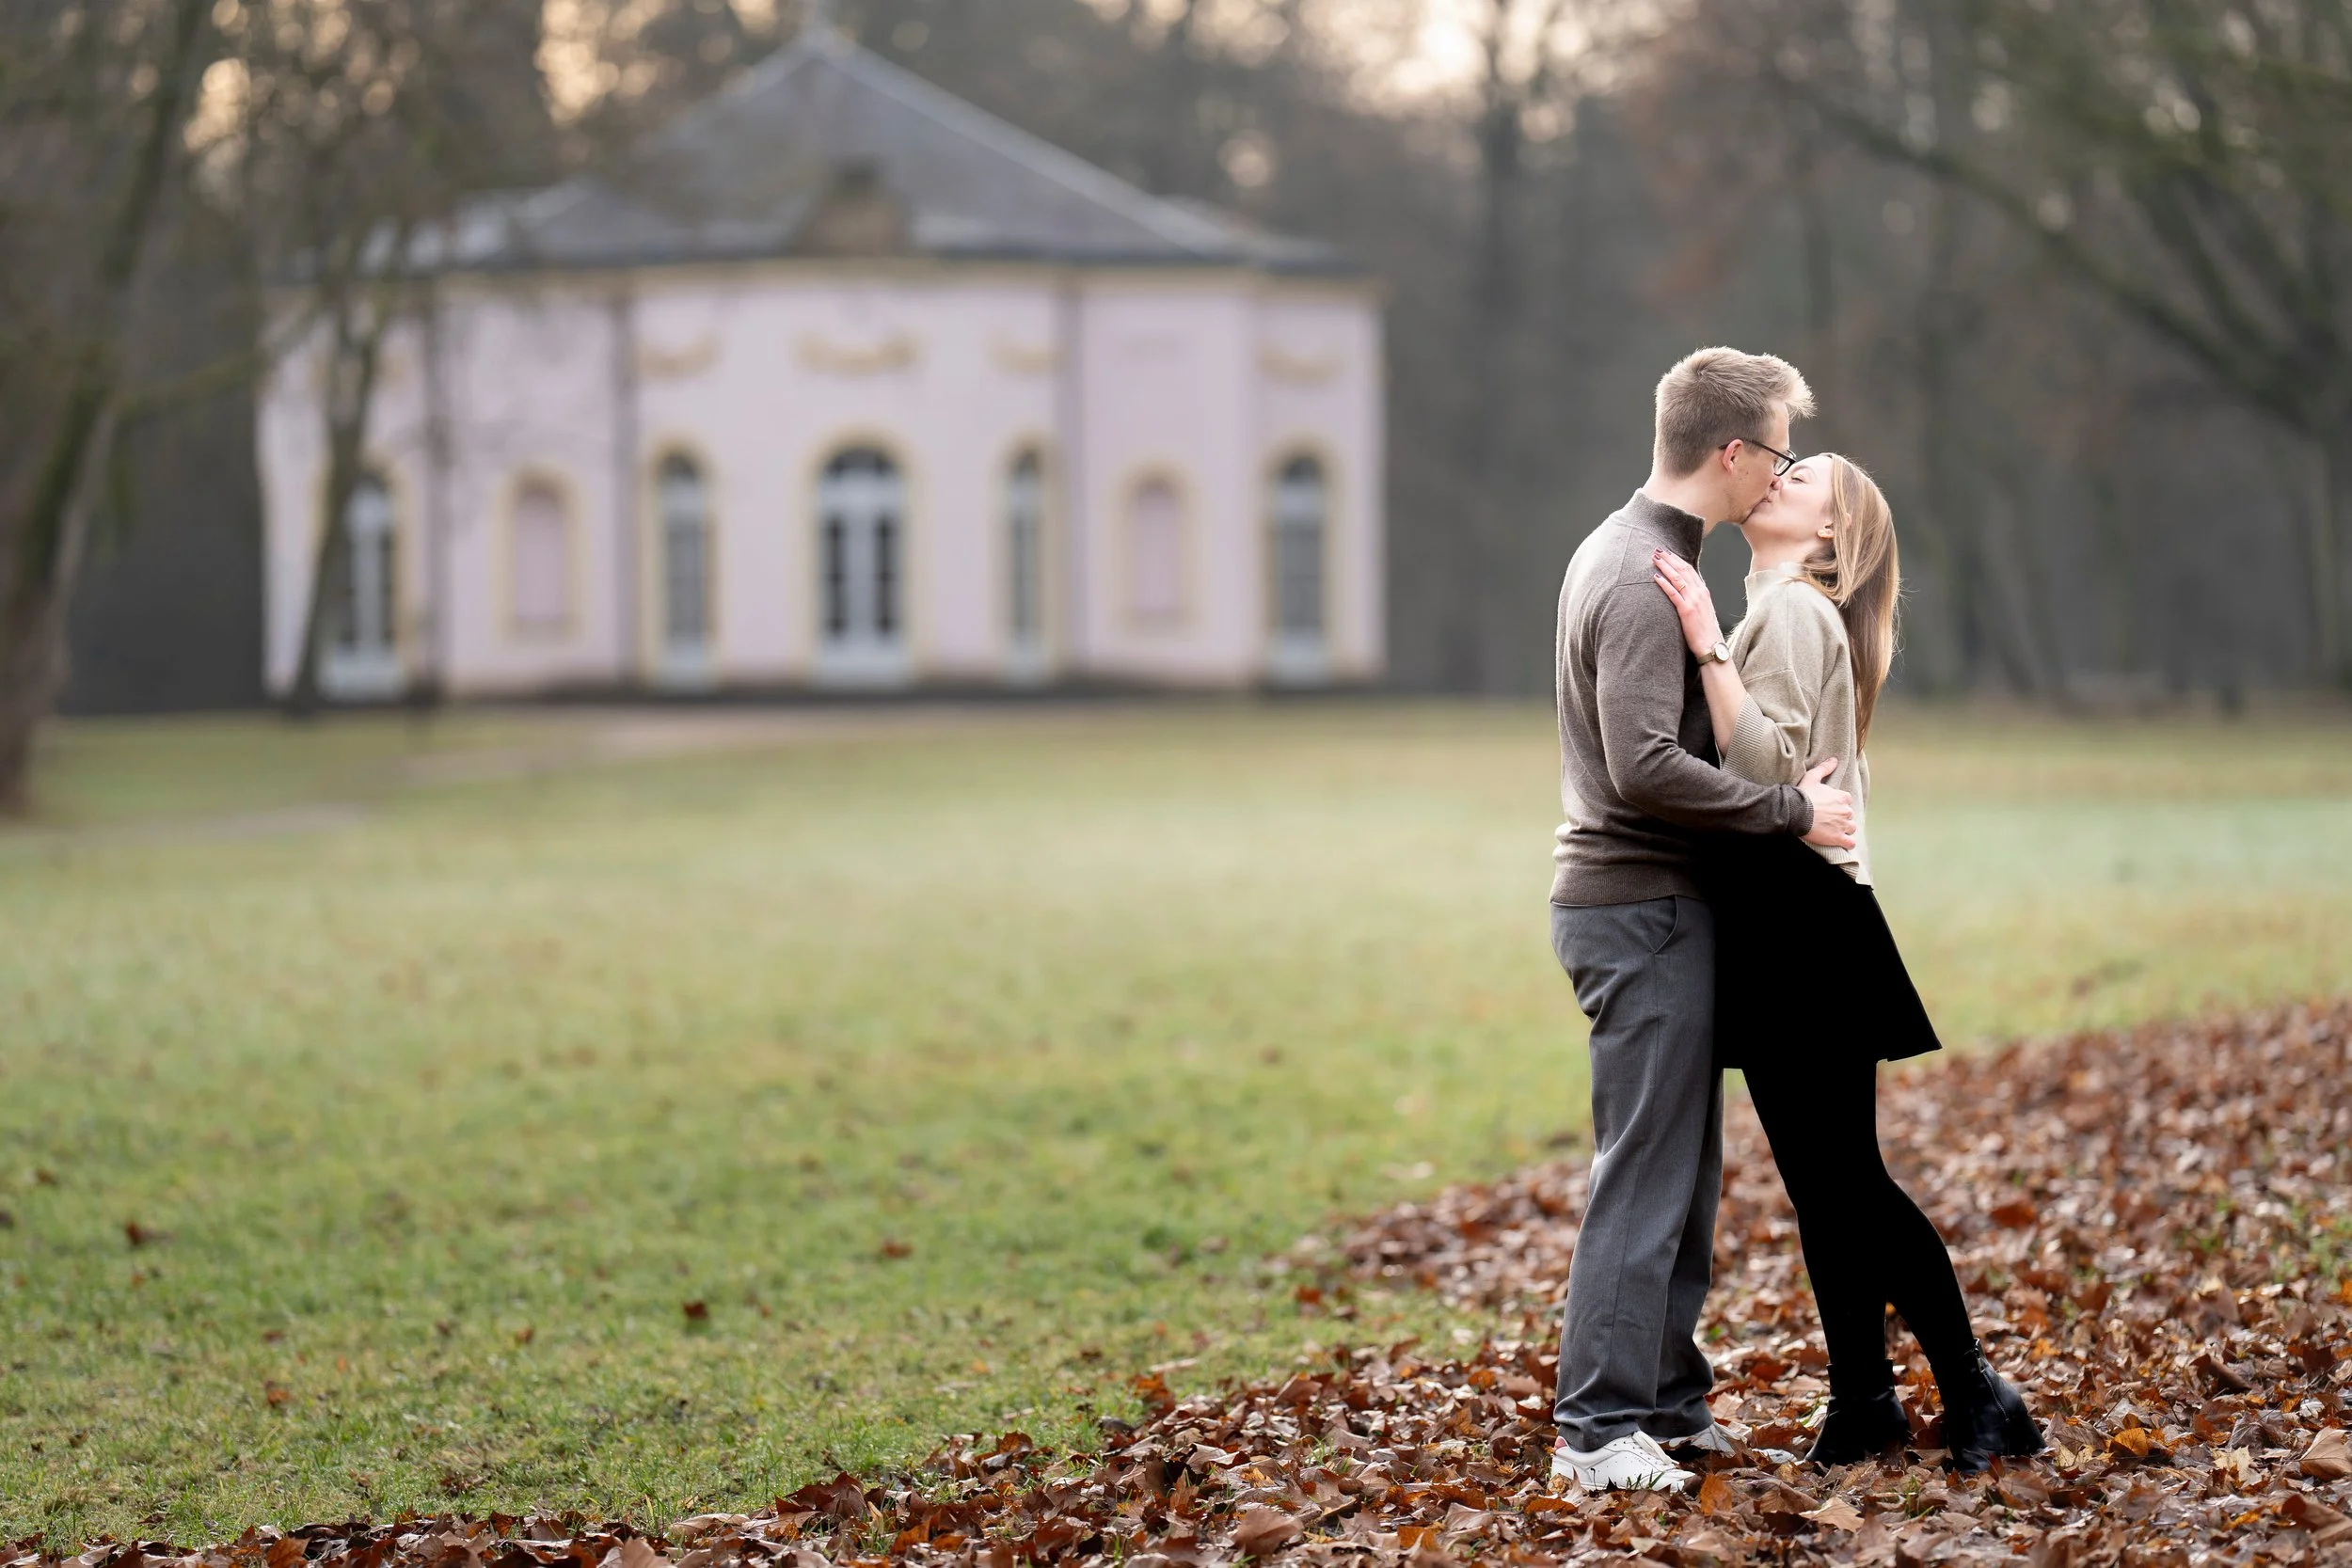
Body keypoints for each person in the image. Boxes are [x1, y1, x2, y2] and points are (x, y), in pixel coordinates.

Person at [1650, 452, 2042, 1474]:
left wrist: (1702, 646)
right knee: (1827, 1188)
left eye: (1805, 477)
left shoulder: (1785, 612)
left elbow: (1768, 769)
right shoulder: (1789, 612)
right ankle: (1865, 1400)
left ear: (1831, 535)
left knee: (1846, 1183)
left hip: (1797, 922)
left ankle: (1973, 1389)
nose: (1779, 476)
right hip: (1801, 915)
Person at [1548, 348, 1858, 1494]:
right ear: (1731, 452)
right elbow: (1641, 767)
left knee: (1680, 1170)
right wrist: (1789, 811)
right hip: (1636, 905)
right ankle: (1596, 1430)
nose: (1779, 473)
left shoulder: (1637, 549)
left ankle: (1668, 1402)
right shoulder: (1638, 572)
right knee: (1643, 1170)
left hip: (1659, 908)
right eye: (1775, 451)